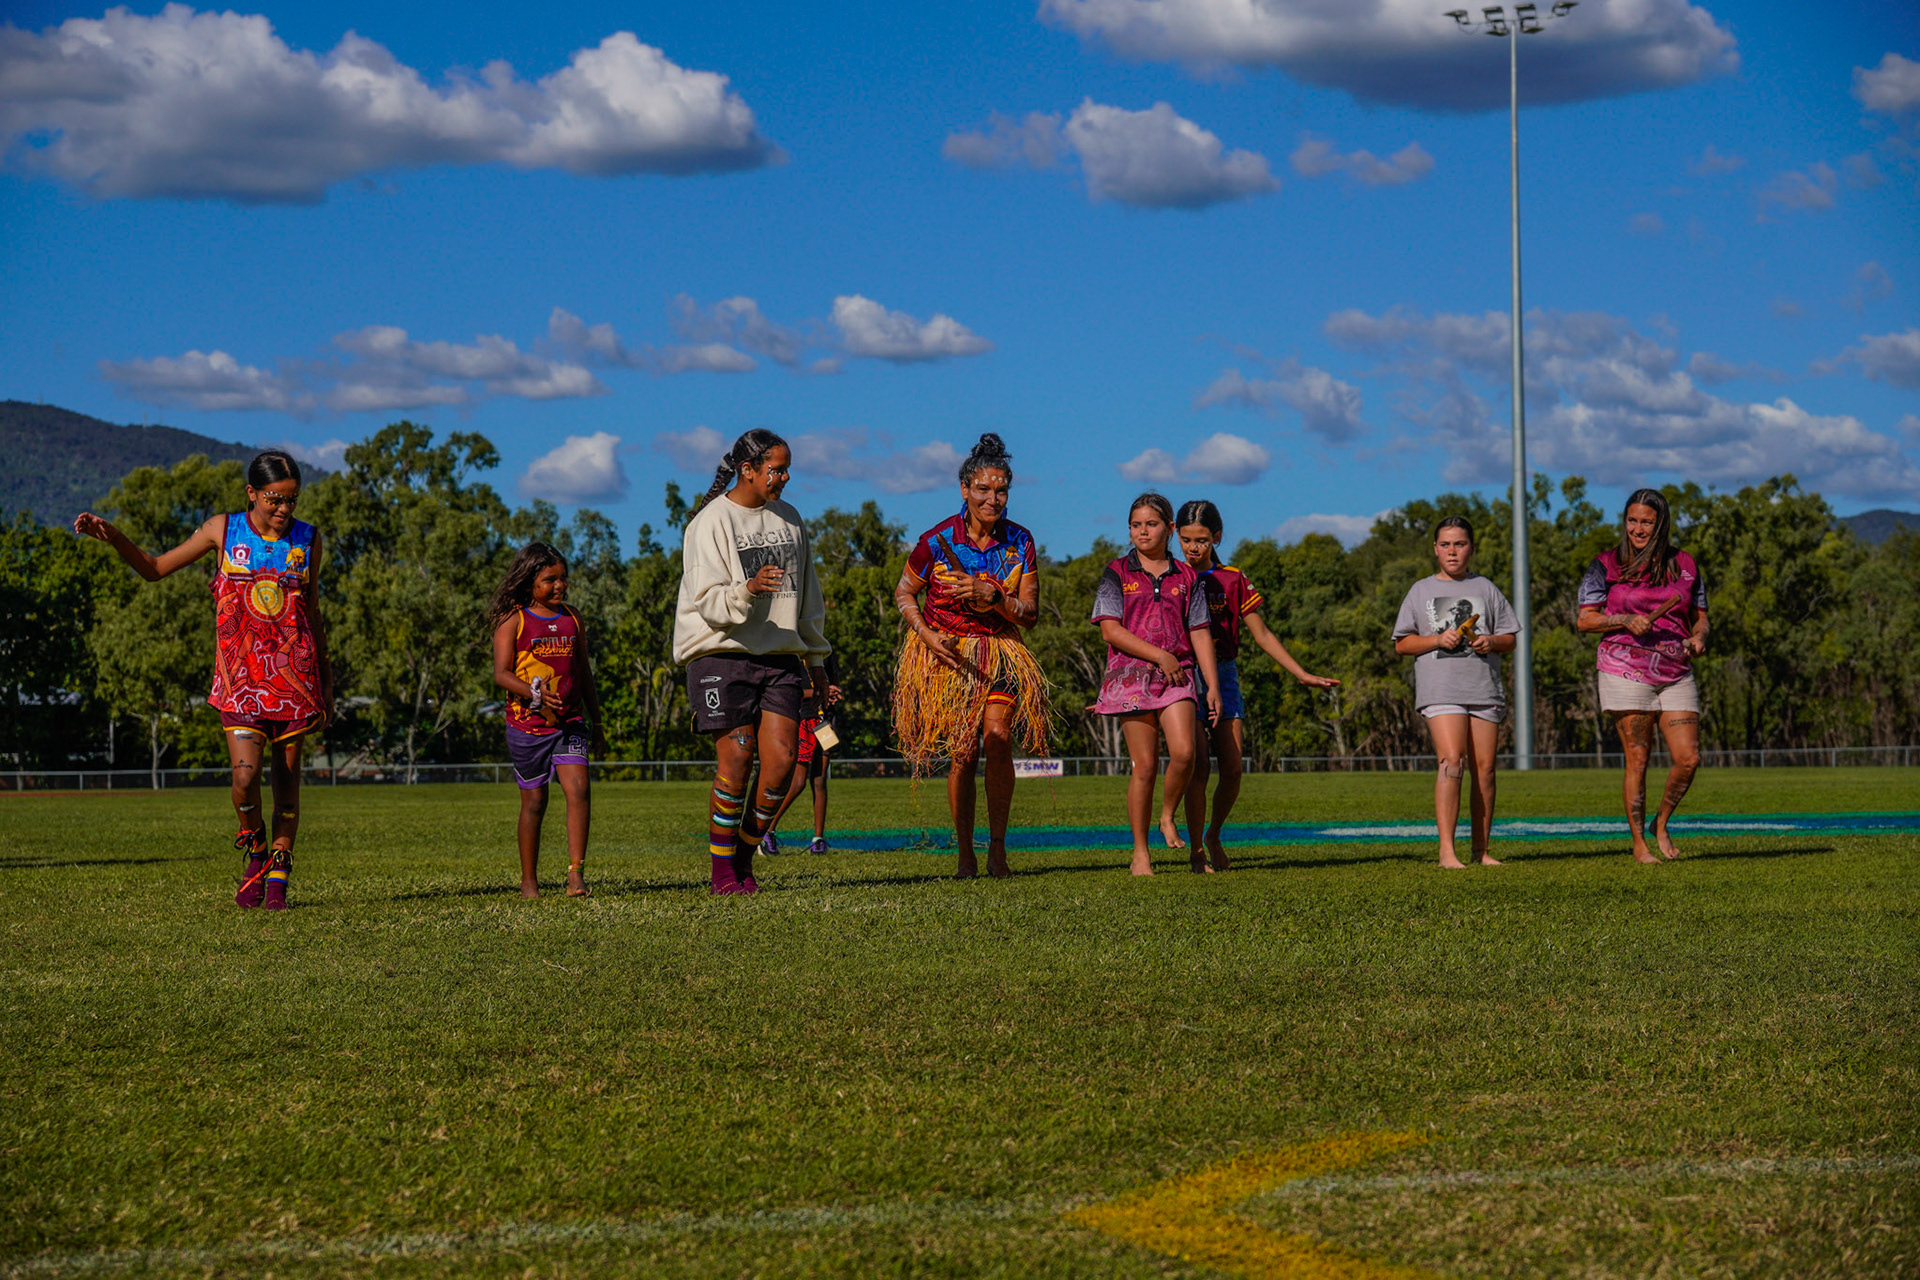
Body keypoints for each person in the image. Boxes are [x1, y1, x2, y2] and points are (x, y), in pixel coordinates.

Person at [73, 451, 332, 910]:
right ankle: (256, 849)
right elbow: (154, 569)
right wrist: (114, 537)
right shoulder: (222, 530)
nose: (283, 509)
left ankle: (278, 877)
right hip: (240, 680)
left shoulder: (309, 539)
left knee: (287, 785)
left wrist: (326, 684)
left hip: (294, 678)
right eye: (274, 499)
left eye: (291, 500)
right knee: (245, 779)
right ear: (251, 493)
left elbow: (311, 612)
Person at [673, 429, 831, 895]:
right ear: (748, 469)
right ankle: (723, 873)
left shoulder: (791, 519)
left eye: (787, 470)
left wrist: (816, 661)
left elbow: (808, 598)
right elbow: (707, 601)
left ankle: (743, 858)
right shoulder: (710, 523)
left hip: (779, 655)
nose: (784, 478)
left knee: (781, 764)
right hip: (719, 653)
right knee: (738, 758)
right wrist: (748, 589)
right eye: (776, 470)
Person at [893, 434, 1051, 879]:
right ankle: (966, 853)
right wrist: (926, 635)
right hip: (951, 657)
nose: (992, 499)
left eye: (1001, 491)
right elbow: (904, 593)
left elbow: (1030, 614)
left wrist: (995, 596)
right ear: (964, 489)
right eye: (982, 489)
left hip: (999, 652)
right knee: (963, 751)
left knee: (998, 739)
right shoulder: (936, 540)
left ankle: (997, 847)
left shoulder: (1020, 541)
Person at [1171, 500, 1341, 872]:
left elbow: (1261, 633)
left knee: (1233, 768)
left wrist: (1300, 673)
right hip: (1183, 674)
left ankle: (1214, 834)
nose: (1193, 548)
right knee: (1198, 768)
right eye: (1186, 539)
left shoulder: (1233, 579)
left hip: (1224, 673)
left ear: (1217, 538)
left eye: (1202, 540)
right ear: (1176, 536)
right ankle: (1196, 851)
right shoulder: (1170, 576)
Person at [1091, 493, 1221, 876]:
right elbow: (1110, 631)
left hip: (1178, 675)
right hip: (1130, 677)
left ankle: (1167, 815)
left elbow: (1200, 631)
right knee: (1144, 767)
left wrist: (1212, 685)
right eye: (1136, 525)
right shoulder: (1116, 572)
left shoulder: (1188, 576)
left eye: (1151, 524)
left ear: (1170, 529)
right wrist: (1159, 655)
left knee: (1185, 753)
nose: (1142, 532)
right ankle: (1140, 853)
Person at [1576, 488, 1709, 863]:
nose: (1637, 529)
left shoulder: (1685, 564)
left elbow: (1700, 618)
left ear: (1661, 524)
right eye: (1632, 520)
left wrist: (1699, 638)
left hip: (1676, 670)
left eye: (1646, 522)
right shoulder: (1606, 564)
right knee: (1638, 758)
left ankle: (1660, 822)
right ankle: (1639, 845)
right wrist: (1622, 619)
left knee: (1688, 758)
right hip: (1624, 669)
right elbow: (1585, 620)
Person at [1391, 517, 1520, 870]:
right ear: (1435, 549)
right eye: (1445, 545)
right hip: (1441, 689)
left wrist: (1490, 641)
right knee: (1451, 761)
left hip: (1483, 688)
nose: (1452, 551)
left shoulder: (1487, 588)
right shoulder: (1420, 590)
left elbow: (1509, 638)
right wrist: (1437, 639)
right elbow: (1402, 644)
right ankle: (1447, 852)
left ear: (1471, 548)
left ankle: (1481, 850)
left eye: (1459, 544)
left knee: (1485, 769)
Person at [488, 542, 606, 898]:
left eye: (563, 577)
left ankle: (576, 876)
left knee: (579, 788)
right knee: (535, 803)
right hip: (527, 727)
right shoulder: (514, 620)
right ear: (529, 582)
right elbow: (501, 674)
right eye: (550, 579)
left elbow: (583, 671)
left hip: (570, 722)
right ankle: (529, 882)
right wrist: (533, 693)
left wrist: (598, 722)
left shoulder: (572, 618)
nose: (559, 585)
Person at [762, 655, 842, 856]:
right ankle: (767, 830)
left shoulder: (826, 652)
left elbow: (834, 681)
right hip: (803, 720)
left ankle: (818, 839)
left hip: (825, 721)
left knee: (820, 780)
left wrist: (834, 692)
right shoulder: (794, 654)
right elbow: (789, 692)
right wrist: (817, 692)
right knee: (798, 783)